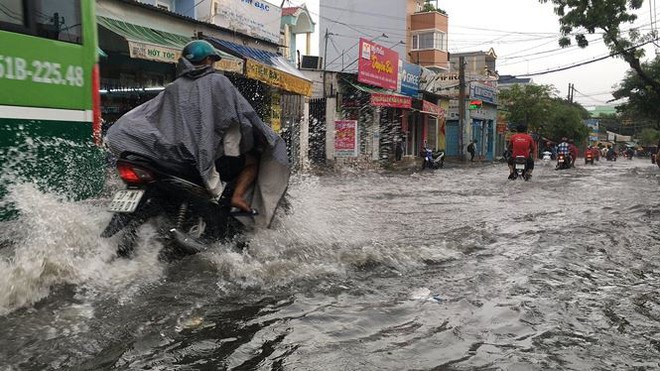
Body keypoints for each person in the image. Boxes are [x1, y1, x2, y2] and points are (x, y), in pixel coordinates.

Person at [105, 40, 290, 227]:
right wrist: (262, 135)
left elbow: (148, 115)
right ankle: (237, 198)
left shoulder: (173, 87)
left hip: (168, 157)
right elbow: (243, 116)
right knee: (252, 160)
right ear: (209, 60)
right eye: (213, 61)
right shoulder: (219, 82)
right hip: (201, 158)